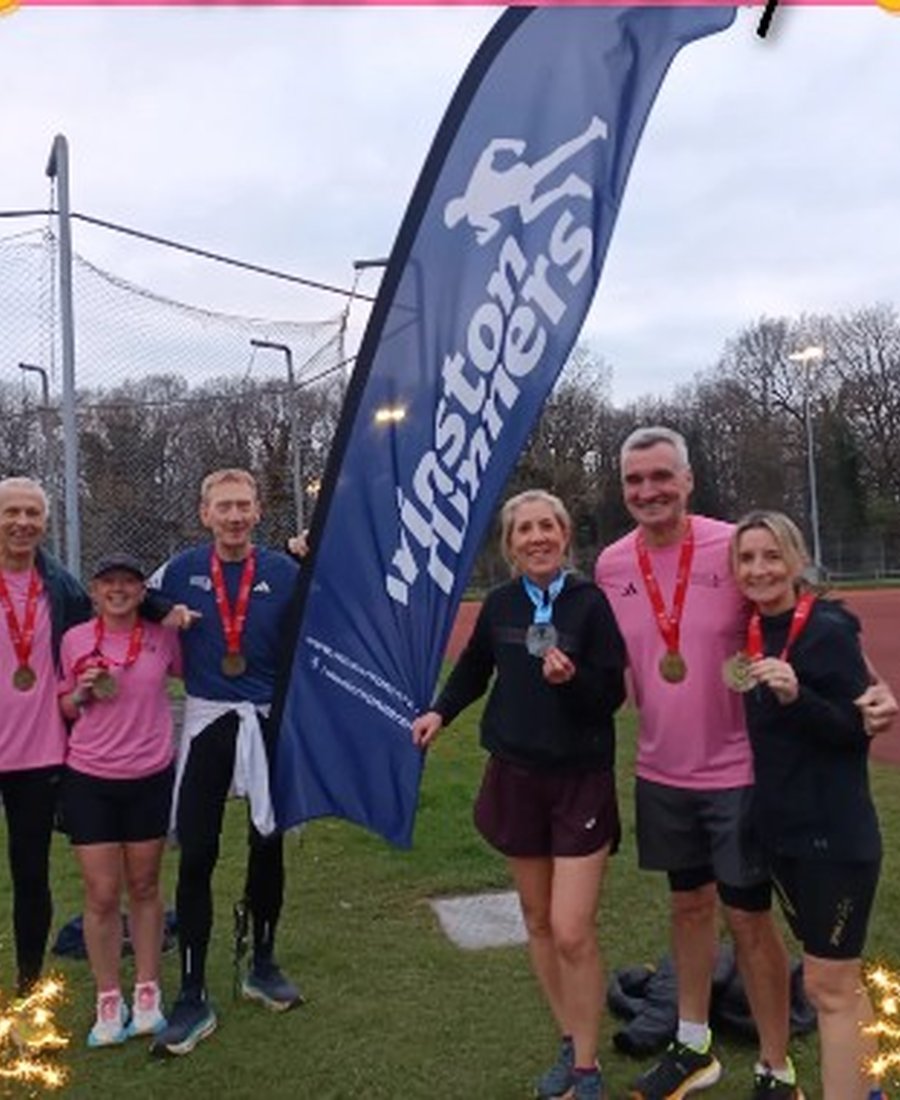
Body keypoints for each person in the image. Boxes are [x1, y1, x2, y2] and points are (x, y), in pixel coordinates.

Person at [595, 427, 896, 1100]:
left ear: (688, 479)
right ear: (623, 489)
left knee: (750, 921)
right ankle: (694, 1044)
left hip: (738, 773)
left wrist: (872, 686)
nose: (649, 491)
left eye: (661, 476)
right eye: (635, 480)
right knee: (687, 909)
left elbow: (807, 616)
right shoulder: (614, 564)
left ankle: (774, 1065)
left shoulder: (733, 548)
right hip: (660, 768)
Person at [412, 490, 626, 1100]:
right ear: (510, 545)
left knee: (571, 929)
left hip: (580, 779)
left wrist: (573, 680)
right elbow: (476, 668)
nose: (536, 537)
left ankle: (586, 1072)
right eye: (524, 529)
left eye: (547, 527)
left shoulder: (589, 605)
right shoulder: (504, 603)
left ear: (564, 536)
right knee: (536, 920)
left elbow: (610, 695)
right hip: (516, 775)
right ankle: (572, 1042)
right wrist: (440, 713)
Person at [148, 468, 302, 1058]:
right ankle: (191, 991)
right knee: (199, 851)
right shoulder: (180, 570)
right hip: (209, 718)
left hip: (265, 718)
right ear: (204, 512)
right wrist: (161, 611)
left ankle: (261, 963)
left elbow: (334, 609)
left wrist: (311, 558)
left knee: (268, 843)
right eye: (224, 507)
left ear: (259, 511)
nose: (234, 516)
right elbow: (131, 598)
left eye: (244, 506)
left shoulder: (284, 572)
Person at [730, 511, 882, 1100]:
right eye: (747, 558)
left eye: (772, 556)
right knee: (837, 979)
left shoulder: (826, 630)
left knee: (827, 987)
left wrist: (798, 697)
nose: (760, 569)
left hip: (833, 838)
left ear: (795, 561)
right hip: (783, 834)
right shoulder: (752, 629)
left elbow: (856, 727)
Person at [58, 553, 181, 1047]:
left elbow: (205, 670)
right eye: (108, 582)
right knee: (102, 894)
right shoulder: (74, 640)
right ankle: (109, 1000)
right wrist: (82, 694)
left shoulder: (164, 636)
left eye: (129, 582)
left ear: (141, 591)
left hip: (150, 774)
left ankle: (148, 993)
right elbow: (63, 705)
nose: (118, 590)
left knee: (146, 886)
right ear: (94, 591)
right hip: (89, 777)